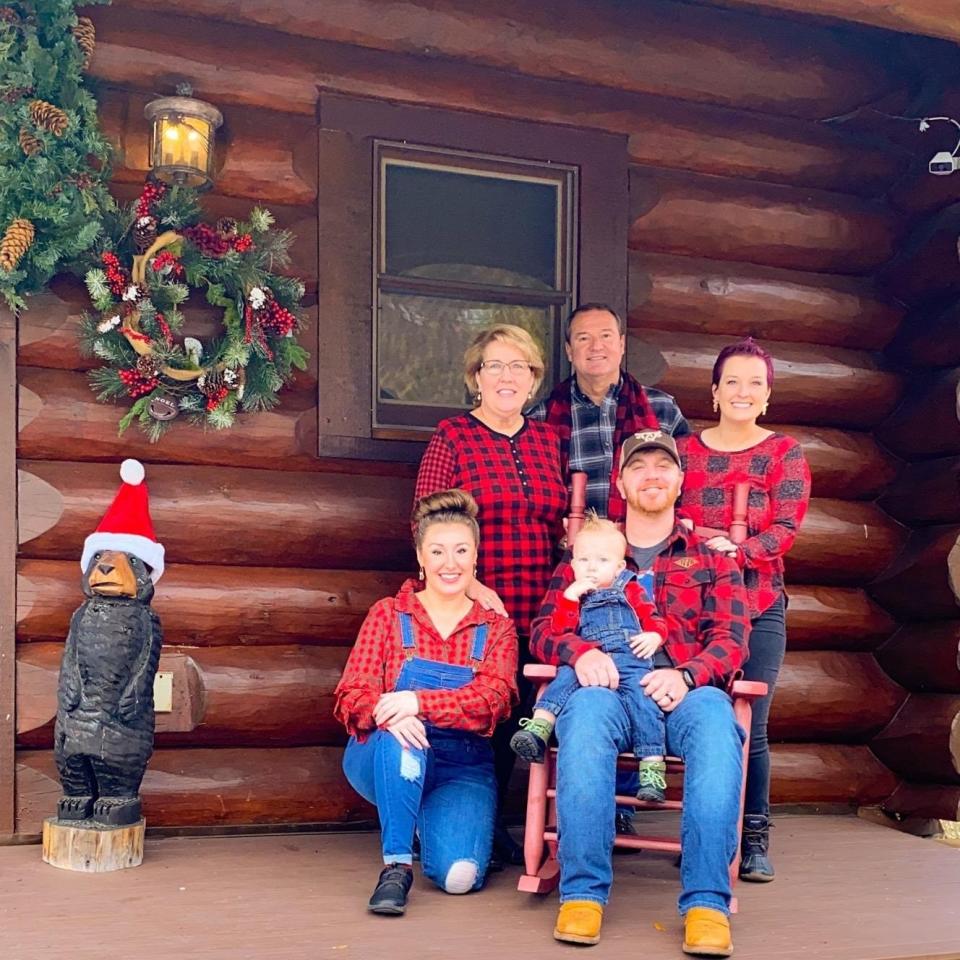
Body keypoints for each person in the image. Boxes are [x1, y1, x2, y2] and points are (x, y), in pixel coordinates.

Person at [530, 430, 749, 954]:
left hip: (683, 692)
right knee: (582, 718)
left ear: (679, 481)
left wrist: (689, 674)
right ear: (622, 484)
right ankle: (582, 893)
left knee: (721, 729)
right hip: (606, 686)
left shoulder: (712, 556)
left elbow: (732, 640)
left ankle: (706, 904)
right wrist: (581, 653)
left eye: (663, 466)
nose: (652, 474)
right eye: (639, 466)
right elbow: (543, 627)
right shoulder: (589, 552)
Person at [527, 302, 689, 830]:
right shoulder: (541, 418)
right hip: (574, 565)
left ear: (622, 343)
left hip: (637, 556)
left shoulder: (661, 410)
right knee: (583, 671)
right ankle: (593, 802)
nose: (596, 346)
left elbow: (686, 485)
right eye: (582, 338)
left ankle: (618, 800)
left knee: (631, 670)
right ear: (569, 351)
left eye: (606, 336)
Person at [414, 323, 568, 863]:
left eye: (519, 366)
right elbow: (430, 520)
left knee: (531, 713)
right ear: (475, 377)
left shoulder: (549, 440)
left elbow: (562, 524)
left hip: (542, 605)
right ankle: (474, 823)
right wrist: (475, 586)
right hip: (477, 605)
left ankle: (523, 825)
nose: (507, 376)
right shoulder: (453, 436)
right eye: (495, 366)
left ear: (534, 379)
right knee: (485, 714)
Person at [334, 490, 518, 915]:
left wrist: (417, 702)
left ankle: (428, 817)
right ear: (420, 557)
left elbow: (494, 699)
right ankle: (396, 865)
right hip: (384, 752)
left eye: (460, 551)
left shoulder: (496, 629)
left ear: (476, 558)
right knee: (403, 741)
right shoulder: (388, 614)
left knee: (459, 878)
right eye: (437, 551)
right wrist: (388, 713)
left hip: (460, 765)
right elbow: (352, 694)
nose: (449, 563)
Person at [676, 337, 811, 884]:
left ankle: (752, 835)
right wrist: (696, 538)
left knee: (750, 723)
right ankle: (672, 822)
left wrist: (741, 549)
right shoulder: (683, 451)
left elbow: (785, 526)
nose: (742, 391)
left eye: (755, 382)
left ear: (767, 397)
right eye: (732, 380)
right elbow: (658, 508)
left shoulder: (784, 453)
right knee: (680, 708)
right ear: (713, 391)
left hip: (757, 605)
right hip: (688, 610)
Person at [509, 513, 669, 802]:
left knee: (645, 702)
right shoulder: (574, 594)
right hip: (589, 658)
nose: (592, 567)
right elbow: (559, 630)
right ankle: (538, 727)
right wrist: (569, 599)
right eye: (584, 561)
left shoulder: (630, 588)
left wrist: (655, 636)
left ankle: (652, 766)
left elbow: (653, 618)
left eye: (602, 561)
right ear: (572, 565)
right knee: (564, 677)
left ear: (619, 566)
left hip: (630, 658)